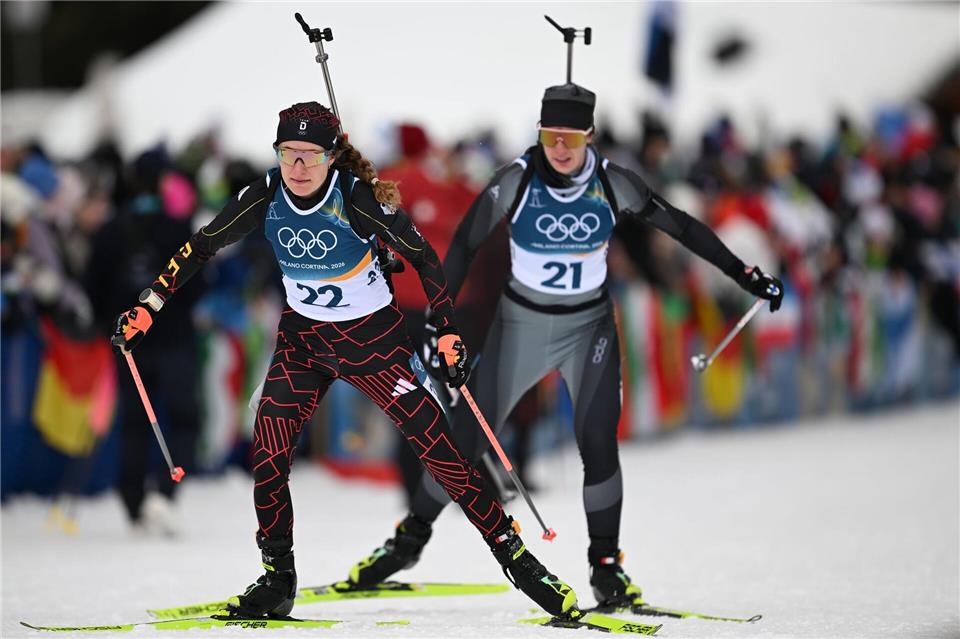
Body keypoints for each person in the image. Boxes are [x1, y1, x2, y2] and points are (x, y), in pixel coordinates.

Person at [111, 102, 579, 620]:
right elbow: (201, 246)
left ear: (332, 157)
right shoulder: (266, 194)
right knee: (269, 446)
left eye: (310, 155)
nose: (298, 167)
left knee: (441, 450)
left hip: (373, 345)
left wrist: (445, 331)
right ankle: (277, 576)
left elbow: (424, 258)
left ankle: (518, 560)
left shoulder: (355, 199)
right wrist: (150, 304)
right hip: (304, 343)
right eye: (288, 153)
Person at [347, 84, 784, 610]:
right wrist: (442, 318)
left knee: (598, 442)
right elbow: (463, 243)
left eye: (570, 138)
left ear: (589, 137)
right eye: (550, 136)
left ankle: (607, 568)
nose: (559, 148)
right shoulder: (516, 179)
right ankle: (408, 541)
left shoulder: (612, 183)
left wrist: (745, 274)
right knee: (462, 445)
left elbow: (682, 227)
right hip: (521, 325)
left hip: (588, 329)